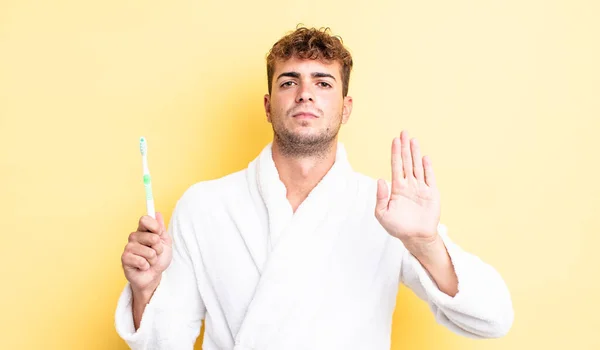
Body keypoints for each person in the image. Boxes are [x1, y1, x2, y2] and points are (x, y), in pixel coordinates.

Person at [115, 26, 514, 349]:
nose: (305, 92)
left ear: (346, 106)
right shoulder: (205, 206)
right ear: (269, 105)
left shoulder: (388, 212)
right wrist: (145, 291)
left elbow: (493, 319)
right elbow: (161, 345)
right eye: (290, 81)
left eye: (323, 83)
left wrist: (424, 242)